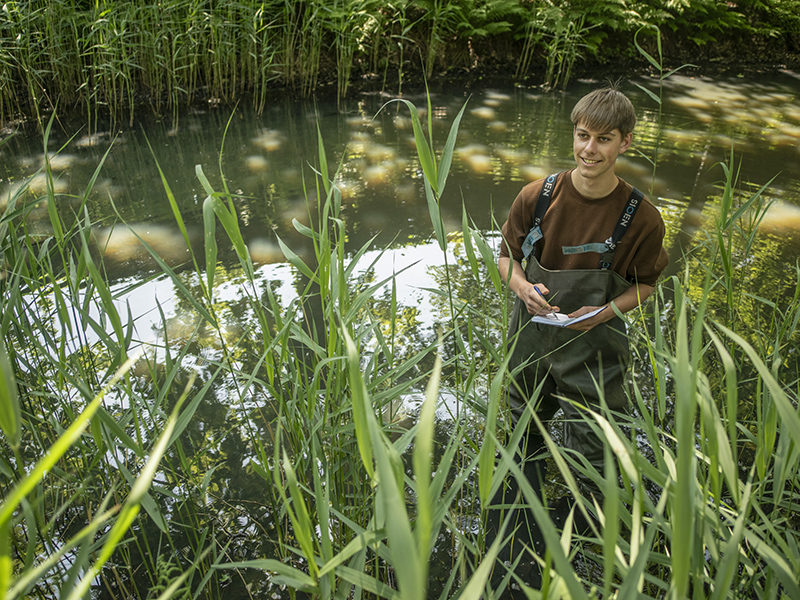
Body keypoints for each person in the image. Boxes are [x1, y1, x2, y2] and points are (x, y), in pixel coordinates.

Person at [487, 86, 669, 592]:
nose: (589, 150)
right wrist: (521, 287)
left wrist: (604, 312)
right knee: (523, 441)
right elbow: (506, 257)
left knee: (595, 456)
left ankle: (587, 552)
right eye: (582, 136)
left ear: (625, 142)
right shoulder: (538, 195)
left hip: (595, 350)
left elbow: (647, 284)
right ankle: (518, 549)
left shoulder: (641, 216)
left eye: (604, 139)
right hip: (530, 341)